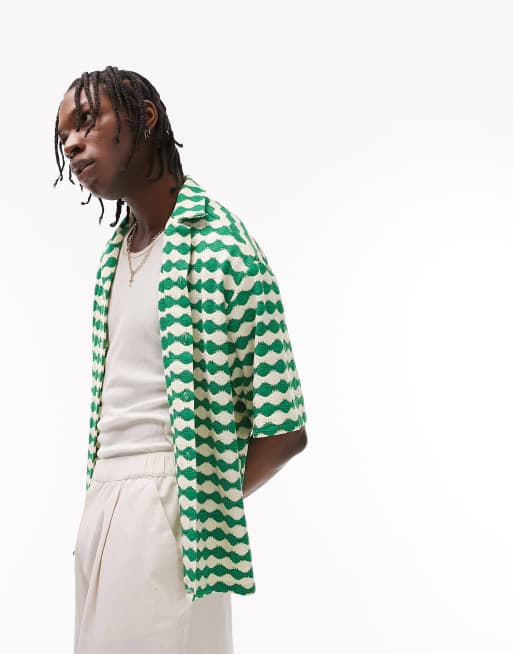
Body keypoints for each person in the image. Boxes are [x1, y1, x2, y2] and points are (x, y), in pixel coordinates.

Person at [54, 65, 308, 654]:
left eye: (88, 121)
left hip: (169, 508)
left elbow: (284, 431)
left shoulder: (223, 247)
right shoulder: (116, 254)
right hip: (101, 504)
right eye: (65, 133)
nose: (72, 144)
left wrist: (197, 497)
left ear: (145, 118)